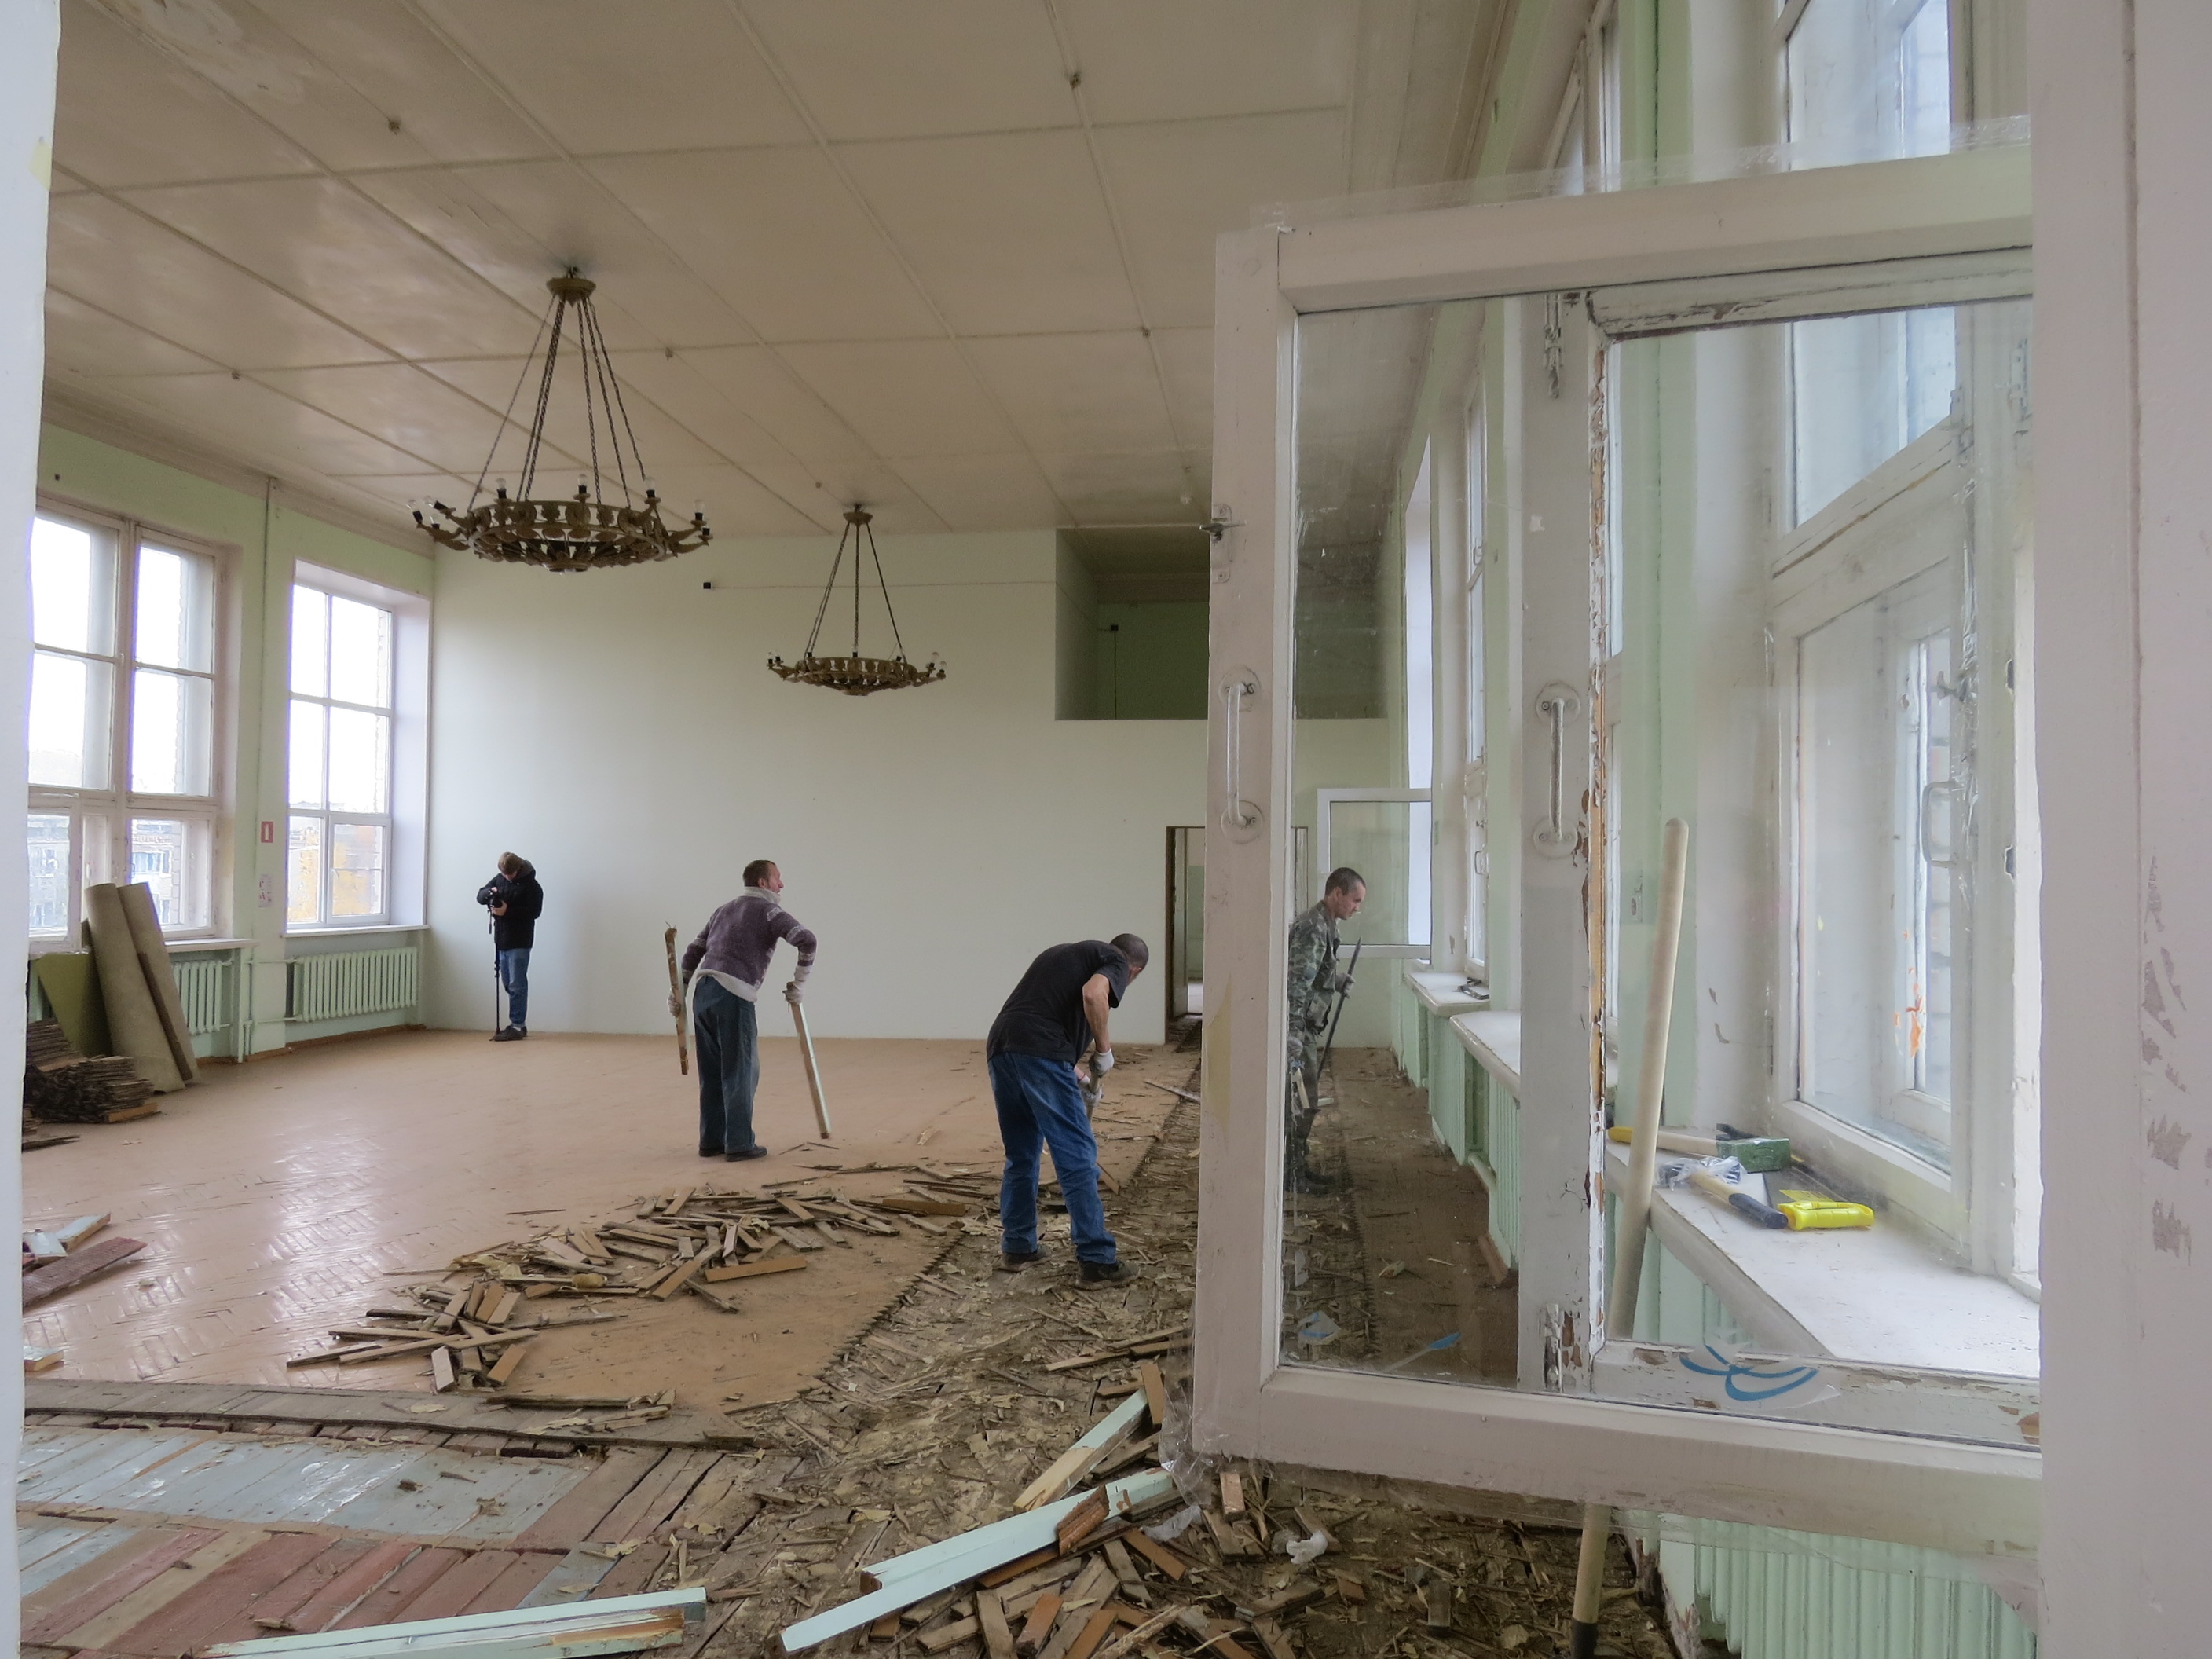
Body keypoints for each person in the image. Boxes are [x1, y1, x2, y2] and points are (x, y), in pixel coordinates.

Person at [986, 933, 1148, 1287]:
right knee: (1077, 1156)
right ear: (1133, 971)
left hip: (1003, 1046)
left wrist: (1080, 1077)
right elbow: (1094, 995)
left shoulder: (1062, 954)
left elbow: (1035, 1020)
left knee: (1022, 1154)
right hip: (1038, 1051)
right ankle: (1096, 1259)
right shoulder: (1115, 961)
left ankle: (1018, 1247)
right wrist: (1104, 1050)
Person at [674, 860, 817, 1162]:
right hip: (734, 994)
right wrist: (799, 984)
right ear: (763, 883)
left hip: (703, 993)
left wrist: (679, 991)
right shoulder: (769, 911)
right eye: (777, 878)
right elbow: (807, 940)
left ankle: (711, 1141)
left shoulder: (723, 910)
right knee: (740, 1071)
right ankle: (739, 1144)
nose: (782, 885)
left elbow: (693, 951)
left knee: (712, 1073)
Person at [1285, 866, 1365, 1192]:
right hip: (1299, 1029)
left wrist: (1335, 980)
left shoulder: (1327, 924)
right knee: (1302, 1100)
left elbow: (1315, 973)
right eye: (1355, 901)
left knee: (1306, 1098)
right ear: (1337, 893)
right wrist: (1291, 1033)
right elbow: (1296, 983)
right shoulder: (1313, 928)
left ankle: (1297, 1166)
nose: (1357, 908)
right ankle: (1292, 1174)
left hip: (1307, 1026)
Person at [474, 853, 543, 1042]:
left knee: (517, 984)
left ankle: (517, 1025)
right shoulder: (499, 879)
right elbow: (480, 895)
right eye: (504, 874)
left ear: (518, 869)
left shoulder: (532, 886)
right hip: (501, 940)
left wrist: (508, 911)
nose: (506, 877)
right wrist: (490, 894)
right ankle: (518, 1024)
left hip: (520, 941)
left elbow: (534, 912)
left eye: (509, 874)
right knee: (508, 983)